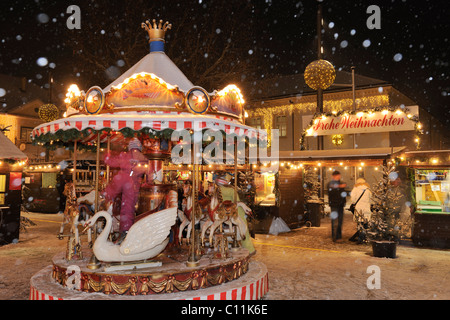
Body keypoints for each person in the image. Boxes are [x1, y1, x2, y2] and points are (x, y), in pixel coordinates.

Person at [102, 137, 147, 243]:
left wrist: (107, 155)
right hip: (133, 184)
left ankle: (106, 194)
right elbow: (147, 169)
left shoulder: (124, 156)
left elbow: (111, 162)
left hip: (124, 179)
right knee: (128, 208)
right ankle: (126, 231)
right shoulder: (142, 157)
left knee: (124, 203)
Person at [349, 178, 372, 243]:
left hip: (359, 208)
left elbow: (353, 199)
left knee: (360, 223)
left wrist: (354, 203)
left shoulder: (355, 189)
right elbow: (371, 199)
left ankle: (360, 238)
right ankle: (365, 237)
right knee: (366, 222)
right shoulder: (368, 189)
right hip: (366, 207)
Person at [327, 170, 347, 242]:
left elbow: (343, 191)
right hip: (334, 205)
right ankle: (335, 236)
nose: (338, 177)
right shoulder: (330, 184)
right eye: (337, 176)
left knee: (340, 221)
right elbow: (331, 188)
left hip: (340, 205)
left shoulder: (341, 183)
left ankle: (338, 236)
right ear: (333, 176)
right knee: (334, 221)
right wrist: (340, 186)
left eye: (339, 176)